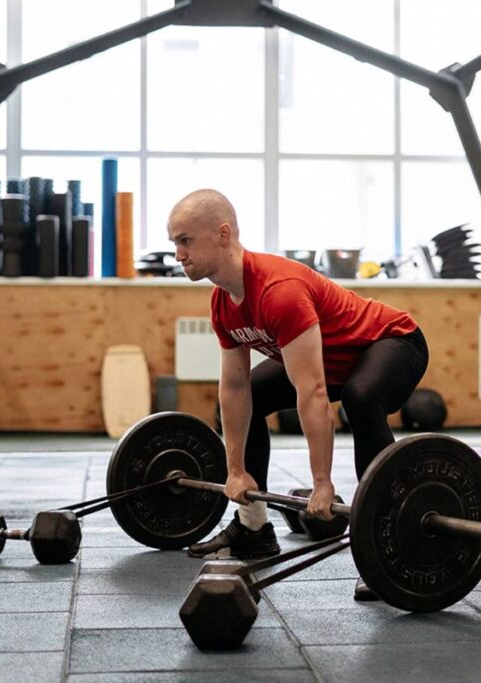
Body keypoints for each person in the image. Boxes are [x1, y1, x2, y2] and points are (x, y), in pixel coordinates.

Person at [168, 189, 428, 600]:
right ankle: (253, 528)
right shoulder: (223, 303)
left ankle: (389, 538)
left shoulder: (278, 289)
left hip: (392, 342)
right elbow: (234, 389)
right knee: (253, 392)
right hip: (337, 362)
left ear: (222, 234)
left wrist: (322, 483)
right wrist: (235, 471)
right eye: (174, 243)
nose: (178, 254)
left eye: (185, 241)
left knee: (362, 398)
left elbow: (313, 390)